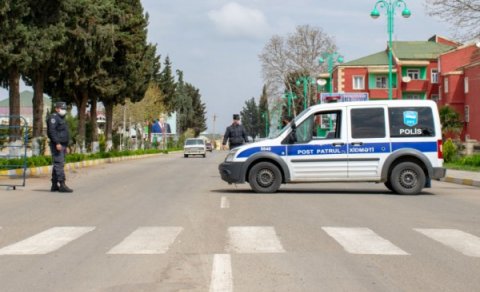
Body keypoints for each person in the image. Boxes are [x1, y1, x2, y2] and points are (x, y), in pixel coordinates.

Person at [46, 102, 73, 193]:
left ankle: (54, 185)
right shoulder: (53, 118)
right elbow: (52, 131)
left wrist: (67, 145)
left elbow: (63, 132)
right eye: (62, 108)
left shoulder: (61, 118)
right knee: (59, 164)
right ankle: (62, 184)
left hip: (63, 144)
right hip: (57, 144)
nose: (64, 110)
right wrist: (57, 143)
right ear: (57, 108)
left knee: (58, 164)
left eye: (65, 109)